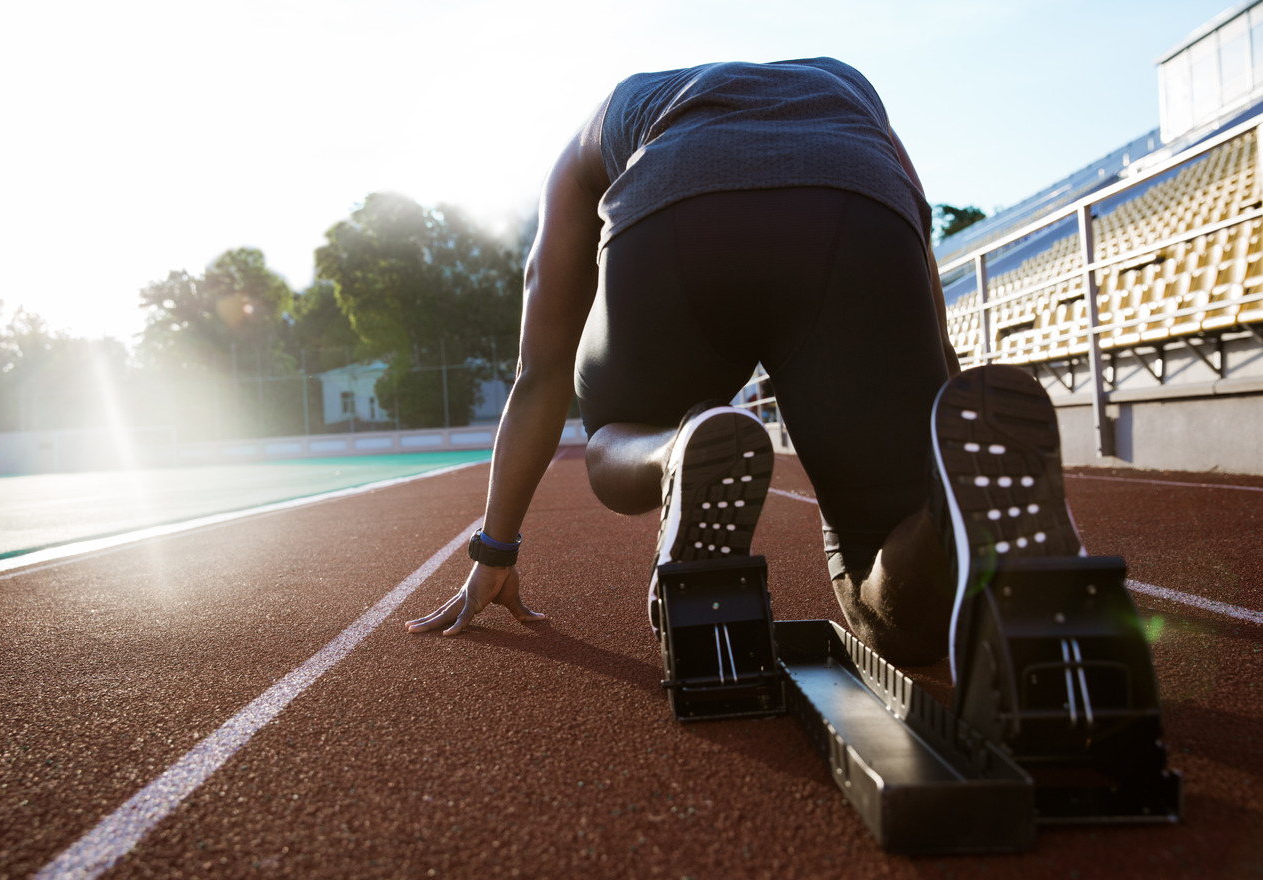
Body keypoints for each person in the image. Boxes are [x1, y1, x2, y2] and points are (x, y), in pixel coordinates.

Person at [405, 57, 1055, 669]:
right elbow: (913, 232)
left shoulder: (601, 125)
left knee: (613, 435)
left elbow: (539, 372)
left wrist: (496, 548)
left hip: (675, 208)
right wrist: (952, 432)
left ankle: (674, 452)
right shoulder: (847, 90)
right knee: (895, 614)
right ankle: (949, 511)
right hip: (851, 204)